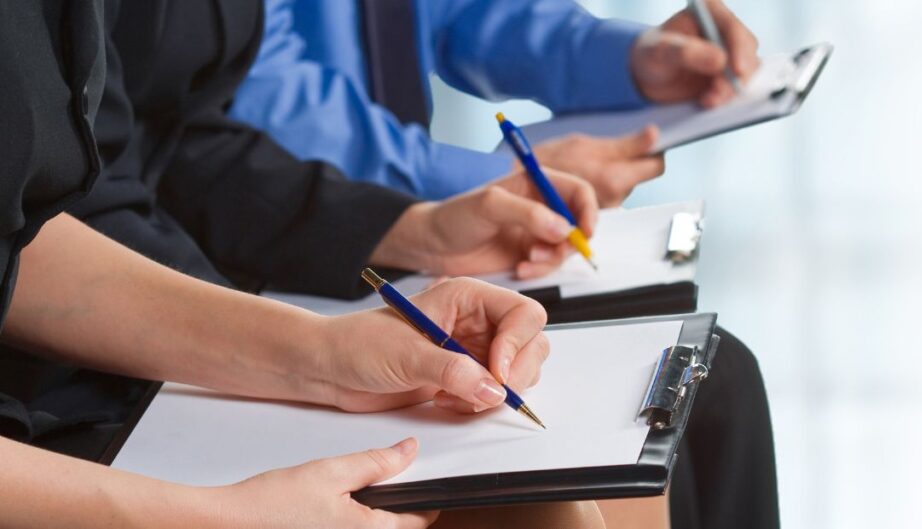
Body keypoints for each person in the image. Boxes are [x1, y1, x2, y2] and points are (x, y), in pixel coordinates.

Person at [56, 1, 778, 526]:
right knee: (559, 488)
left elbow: (192, 142)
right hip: (145, 318)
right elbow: (250, 116)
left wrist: (418, 228)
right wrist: (292, 350)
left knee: (707, 378)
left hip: (226, 264)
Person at [229, 0, 761, 206]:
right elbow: (268, 101)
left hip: (402, 226)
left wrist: (630, 59)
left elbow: (464, 14)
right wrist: (496, 181)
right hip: (258, 257)